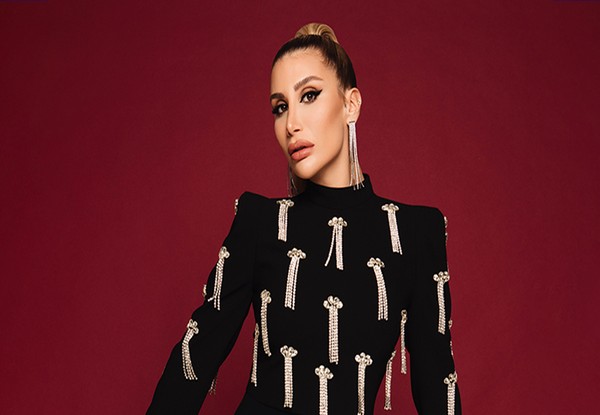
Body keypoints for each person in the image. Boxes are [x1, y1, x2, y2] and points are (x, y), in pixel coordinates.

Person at [147, 23, 461, 415]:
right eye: (280, 107)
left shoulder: (414, 235)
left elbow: (438, 387)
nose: (291, 123)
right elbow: (193, 361)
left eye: (309, 96)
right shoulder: (260, 222)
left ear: (351, 104)